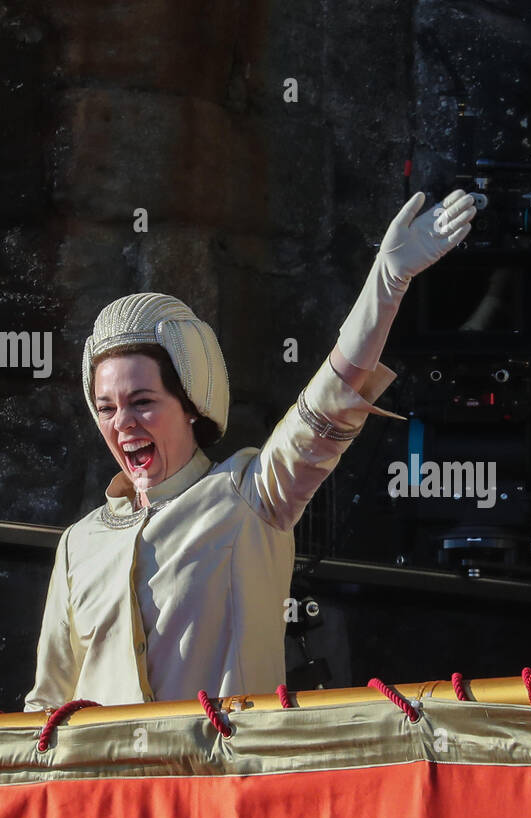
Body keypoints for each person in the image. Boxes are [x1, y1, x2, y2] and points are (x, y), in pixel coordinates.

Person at [24, 189, 476, 709]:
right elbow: (46, 708)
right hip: (106, 791)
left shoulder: (250, 497)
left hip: (221, 789)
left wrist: (387, 281)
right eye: (105, 408)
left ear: (190, 402)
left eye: (143, 401)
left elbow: (327, 403)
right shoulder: (78, 544)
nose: (122, 423)